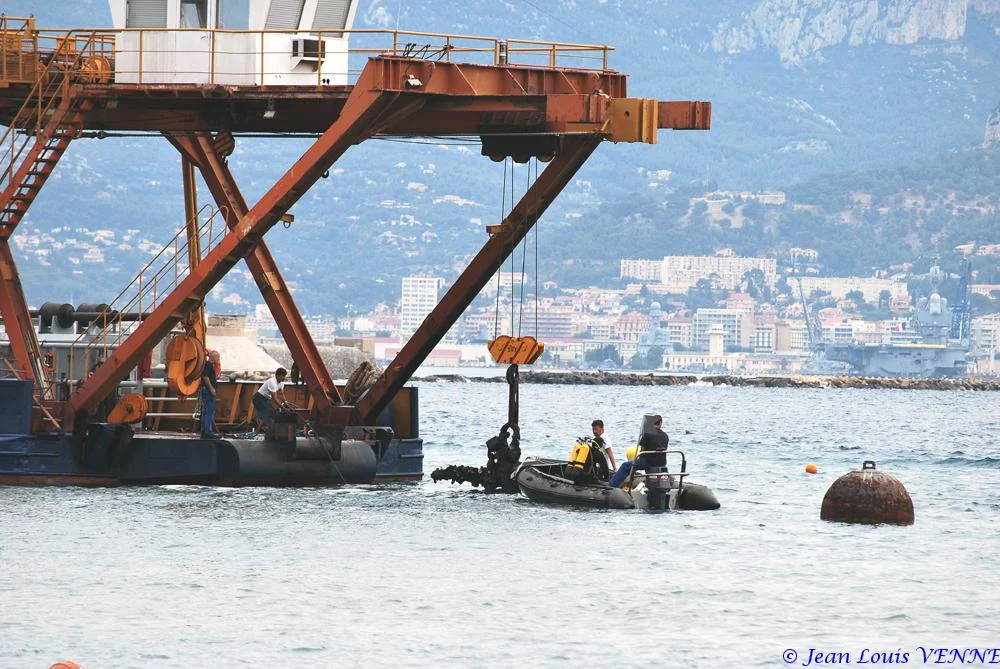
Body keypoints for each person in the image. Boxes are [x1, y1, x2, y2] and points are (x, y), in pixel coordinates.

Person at [607, 414, 669, 488]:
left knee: (625, 466)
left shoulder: (648, 434)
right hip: (661, 462)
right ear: (660, 423)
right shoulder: (665, 436)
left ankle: (611, 485)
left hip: (648, 462)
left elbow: (642, 450)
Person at [200, 350, 220, 439]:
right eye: (218, 357)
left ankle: (204, 432)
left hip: (205, 390)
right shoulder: (208, 365)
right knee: (209, 412)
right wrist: (211, 388)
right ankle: (208, 432)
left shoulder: (208, 365)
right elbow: (205, 377)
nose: (218, 359)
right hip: (208, 391)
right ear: (213, 357)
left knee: (205, 411)